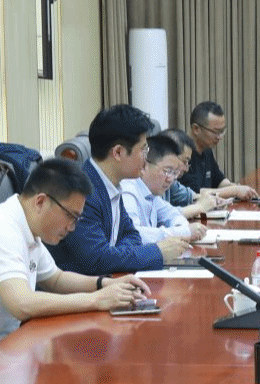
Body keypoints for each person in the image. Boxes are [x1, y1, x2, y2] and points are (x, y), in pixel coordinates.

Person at [0, 158, 148, 361]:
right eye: (71, 216)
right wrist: (96, 300)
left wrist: (106, 283)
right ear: (40, 202)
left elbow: (56, 279)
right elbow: (22, 304)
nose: (72, 227)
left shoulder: (26, 228)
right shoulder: (0, 229)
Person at [52, 105, 190, 275]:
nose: (146, 157)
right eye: (143, 149)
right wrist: (157, 252)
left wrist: (117, 253)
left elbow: (131, 234)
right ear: (118, 152)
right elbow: (96, 259)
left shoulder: (112, 184)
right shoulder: (82, 191)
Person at [120, 132, 204, 246]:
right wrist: (182, 232)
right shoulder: (128, 191)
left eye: (174, 173)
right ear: (144, 166)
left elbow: (173, 215)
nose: (171, 179)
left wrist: (182, 229)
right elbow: (134, 234)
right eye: (167, 171)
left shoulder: (151, 194)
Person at [177, 101, 258, 200]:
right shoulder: (181, 155)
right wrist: (235, 190)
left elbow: (219, 181)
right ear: (196, 129)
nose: (219, 137)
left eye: (222, 131)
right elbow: (194, 194)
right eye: (215, 132)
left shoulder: (206, 149)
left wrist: (237, 187)